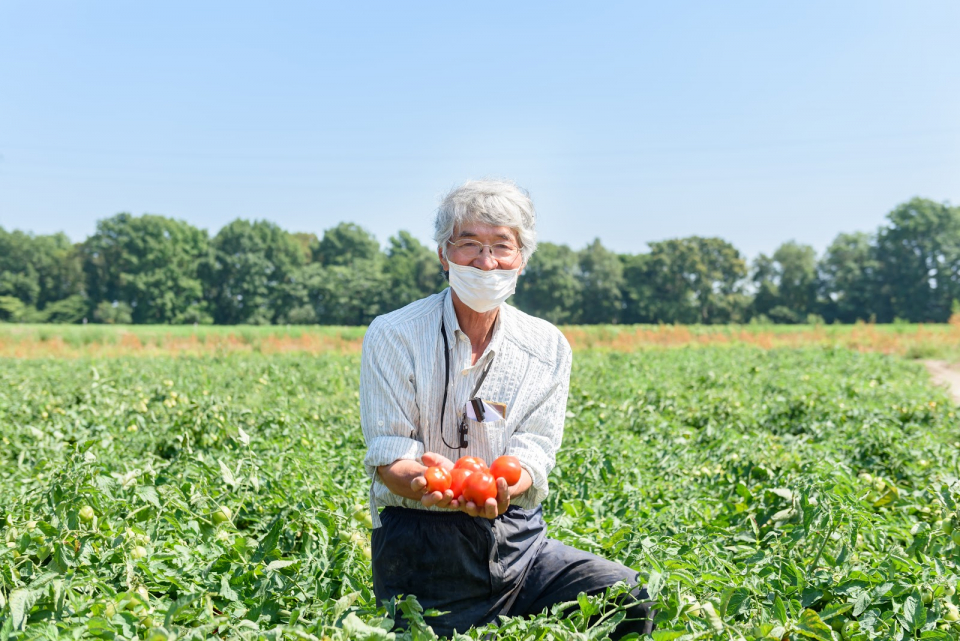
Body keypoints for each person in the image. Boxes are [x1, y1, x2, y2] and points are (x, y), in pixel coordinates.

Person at [359, 179, 654, 638]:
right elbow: (389, 456)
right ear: (443, 255)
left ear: (521, 260)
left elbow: (534, 451)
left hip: (518, 540)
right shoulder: (395, 334)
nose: (486, 261)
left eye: (501, 246)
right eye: (469, 244)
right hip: (420, 545)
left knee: (622, 594)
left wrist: (505, 483)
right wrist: (422, 480)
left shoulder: (546, 345)